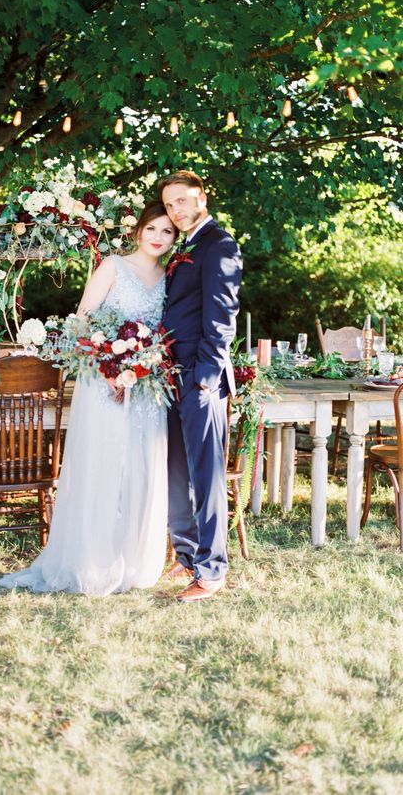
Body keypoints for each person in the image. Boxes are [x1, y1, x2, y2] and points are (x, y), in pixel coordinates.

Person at [0, 201, 178, 595]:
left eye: (167, 232)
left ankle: (132, 562)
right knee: (103, 466)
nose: (158, 238)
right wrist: (112, 371)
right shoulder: (113, 266)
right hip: (103, 385)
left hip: (146, 388)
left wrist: (143, 366)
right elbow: (84, 322)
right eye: (152, 229)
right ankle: (90, 560)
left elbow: (164, 335)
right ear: (138, 230)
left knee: (140, 469)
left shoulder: (169, 277)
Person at [159, 170, 242, 603]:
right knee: (177, 472)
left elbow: (222, 317)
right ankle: (187, 555)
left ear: (202, 199)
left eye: (183, 201)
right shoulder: (184, 247)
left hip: (200, 378)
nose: (177, 210)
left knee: (206, 477)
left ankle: (211, 572)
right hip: (169, 375)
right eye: (171, 204)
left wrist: (207, 379)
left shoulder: (220, 245)